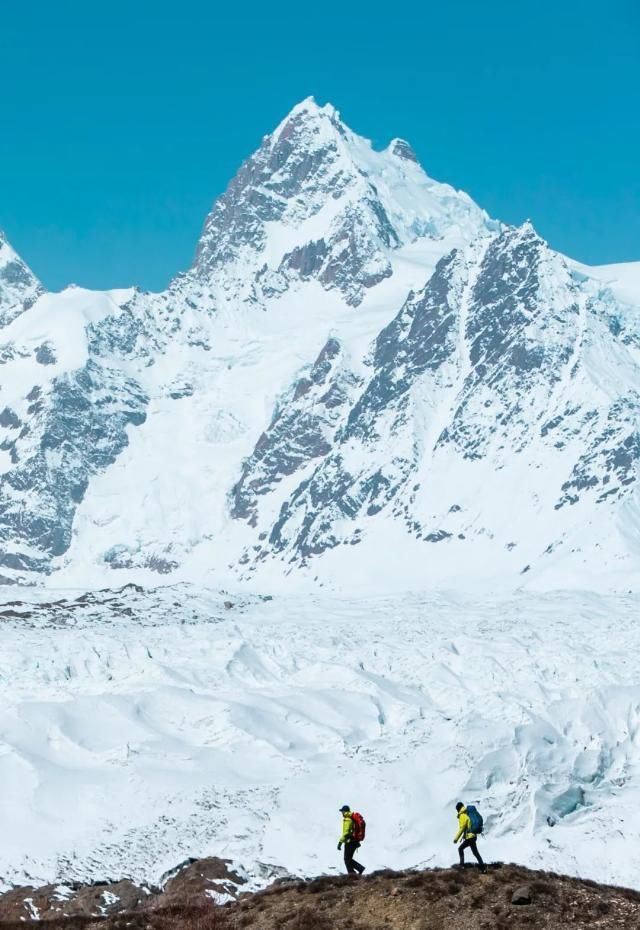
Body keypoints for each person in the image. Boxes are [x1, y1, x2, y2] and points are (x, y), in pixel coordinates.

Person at [453, 801, 486, 871]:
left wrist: (456, 839)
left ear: (458, 809)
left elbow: (462, 828)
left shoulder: (462, 815)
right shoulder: (467, 813)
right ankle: (483, 868)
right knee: (475, 853)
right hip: (473, 836)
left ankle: (462, 866)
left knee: (460, 849)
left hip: (469, 837)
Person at [337, 804, 365, 875]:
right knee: (348, 859)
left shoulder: (348, 819)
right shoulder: (351, 818)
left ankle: (352, 874)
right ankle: (356, 871)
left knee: (347, 859)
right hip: (354, 841)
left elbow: (346, 833)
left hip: (350, 841)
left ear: (344, 811)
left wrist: (340, 843)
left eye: (342, 811)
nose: (341, 813)